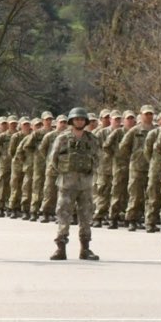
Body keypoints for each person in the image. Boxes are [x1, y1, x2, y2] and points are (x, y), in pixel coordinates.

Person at [48, 108, 100, 261]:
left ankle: (85, 248)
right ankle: (61, 248)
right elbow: (53, 159)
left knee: (86, 216)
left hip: (85, 184)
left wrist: (89, 170)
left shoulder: (91, 139)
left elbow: (97, 158)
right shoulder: (62, 138)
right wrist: (64, 172)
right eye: (76, 119)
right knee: (63, 215)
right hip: (67, 184)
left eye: (82, 119)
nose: (79, 121)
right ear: (71, 121)